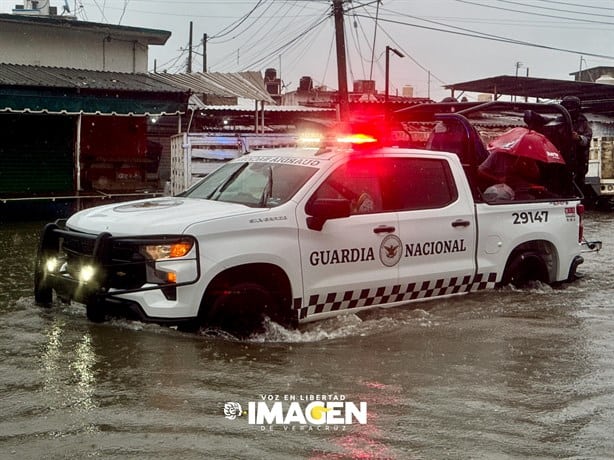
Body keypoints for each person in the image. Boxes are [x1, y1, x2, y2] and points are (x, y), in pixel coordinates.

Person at [560, 95, 592, 188]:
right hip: (561, 162)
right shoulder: (559, 120)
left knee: (577, 186)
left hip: (578, 163)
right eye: (567, 107)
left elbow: (587, 139)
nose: (569, 110)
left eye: (571, 106)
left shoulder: (583, 122)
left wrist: (578, 138)